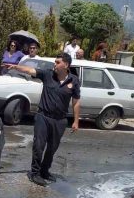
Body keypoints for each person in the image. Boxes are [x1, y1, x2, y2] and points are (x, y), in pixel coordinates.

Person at [5, 53, 81, 186]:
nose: (54, 64)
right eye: (55, 62)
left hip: (60, 120)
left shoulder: (74, 80)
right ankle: (35, 173)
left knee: (52, 148)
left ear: (66, 65)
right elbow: (30, 70)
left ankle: (45, 171)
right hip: (43, 117)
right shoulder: (47, 75)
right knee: (38, 146)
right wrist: (16, 67)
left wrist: (76, 121)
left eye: (57, 62)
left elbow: (76, 102)